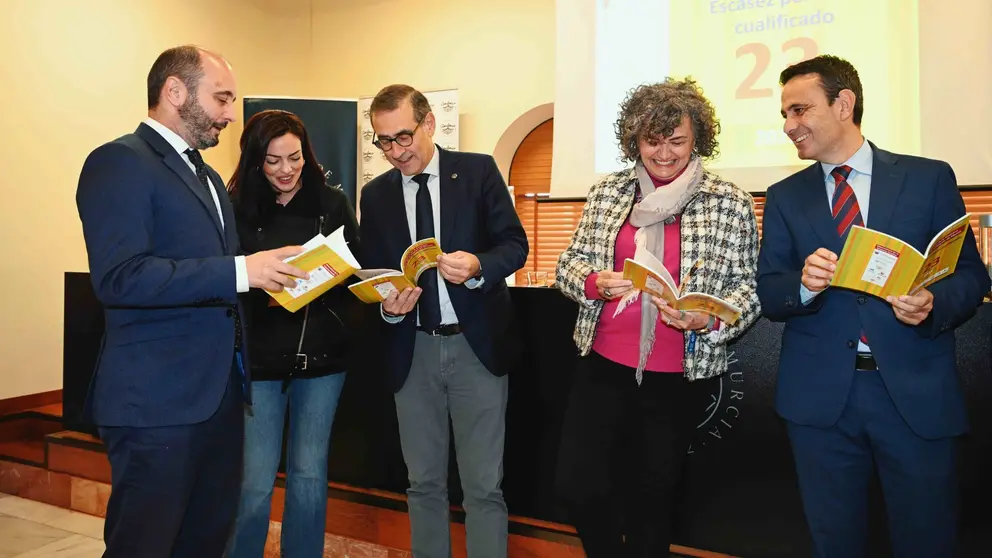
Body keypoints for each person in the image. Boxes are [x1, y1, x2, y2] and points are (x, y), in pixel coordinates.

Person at [74, 45, 307, 558]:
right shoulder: (119, 161)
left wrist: (271, 274)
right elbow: (121, 277)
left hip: (218, 399)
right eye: (221, 98)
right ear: (174, 92)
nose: (230, 114)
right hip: (156, 403)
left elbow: (212, 276)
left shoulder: (204, 175)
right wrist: (245, 270)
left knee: (205, 542)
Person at [757, 54, 991, 558]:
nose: (789, 126)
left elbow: (972, 275)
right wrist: (803, 286)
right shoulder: (783, 197)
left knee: (927, 540)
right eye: (784, 115)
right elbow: (769, 291)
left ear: (844, 104)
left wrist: (931, 303)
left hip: (914, 394)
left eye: (799, 110)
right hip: (820, 404)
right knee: (834, 542)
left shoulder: (927, 179)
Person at [554, 77, 762, 558]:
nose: (664, 153)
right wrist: (594, 283)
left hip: (676, 375)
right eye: (652, 140)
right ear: (634, 139)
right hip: (602, 363)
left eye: (677, 141)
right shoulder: (609, 192)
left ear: (698, 139)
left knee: (652, 500)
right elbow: (570, 264)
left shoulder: (727, 201)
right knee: (578, 486)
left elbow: (749, 289)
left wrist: (706, 319)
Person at [358, 84, 528, 558]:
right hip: (411, 352)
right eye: (383, 141)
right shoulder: (375, 196)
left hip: (477, 349)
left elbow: (514, 245)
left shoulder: (476, 172)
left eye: (403, 136)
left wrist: (478, 266)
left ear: (429, 123)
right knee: (422, 483)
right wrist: (387, 305)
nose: (395, 151)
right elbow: (374, 272)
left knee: (483, 487)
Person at [225, 110, 360, 557]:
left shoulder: (332, 203)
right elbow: (225, 280)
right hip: (260, 363)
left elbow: (354, 275)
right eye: (273, 160)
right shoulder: (236, 206)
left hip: (321, 361)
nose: (286, 169)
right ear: (254, 162)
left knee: (308, 477)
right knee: (255, 480)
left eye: (295, 158)